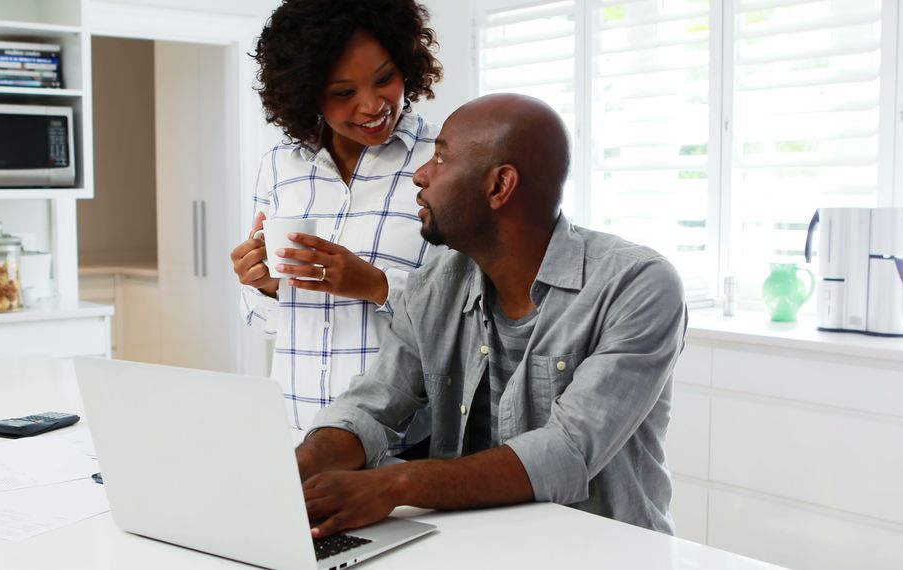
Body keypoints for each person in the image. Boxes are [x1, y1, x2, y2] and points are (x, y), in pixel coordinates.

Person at [295, 93, 688, 538]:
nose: (420, 175)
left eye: (441, 158)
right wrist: (297, 467)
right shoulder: (432, 286)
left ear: (500, 186)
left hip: (601, 552)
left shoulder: (637, 286)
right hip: (475, 548)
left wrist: (394, 484)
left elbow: (565, 452)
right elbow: (373, 405)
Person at [229, 0, 442, 442]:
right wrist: (263, 284)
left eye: (384, 79)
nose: (371, 105)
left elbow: (473, 316)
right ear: (307, 92)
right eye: (344, 93)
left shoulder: (442, 161)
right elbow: (264, 320)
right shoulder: (279, 165)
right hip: (295, 431)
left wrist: (374, 285)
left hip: (399, 441)